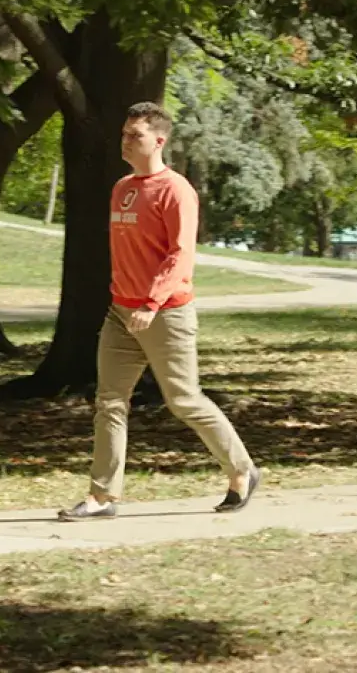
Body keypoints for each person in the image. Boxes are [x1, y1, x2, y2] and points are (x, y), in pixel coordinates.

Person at [59, 101, 261, 521]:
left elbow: (180, 254)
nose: (127, 141)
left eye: (136, 135)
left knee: (184, 400)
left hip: (165, 313)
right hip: (121, 313)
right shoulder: (122, 187)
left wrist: (151, 303)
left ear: (159, 140)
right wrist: (126, 299)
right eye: (124, 134)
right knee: (109, 402)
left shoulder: (176, 190)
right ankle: (102, 496)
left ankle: (241, 470)